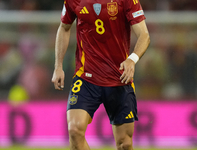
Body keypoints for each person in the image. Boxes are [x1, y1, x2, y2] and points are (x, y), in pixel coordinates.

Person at [52, 0, 150, 149]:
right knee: (74, 130)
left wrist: (132, 59)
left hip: (119, 78)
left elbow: (144, 35)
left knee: (124, 143)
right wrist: (58, 66)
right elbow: (64, 28)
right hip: (86, 77)